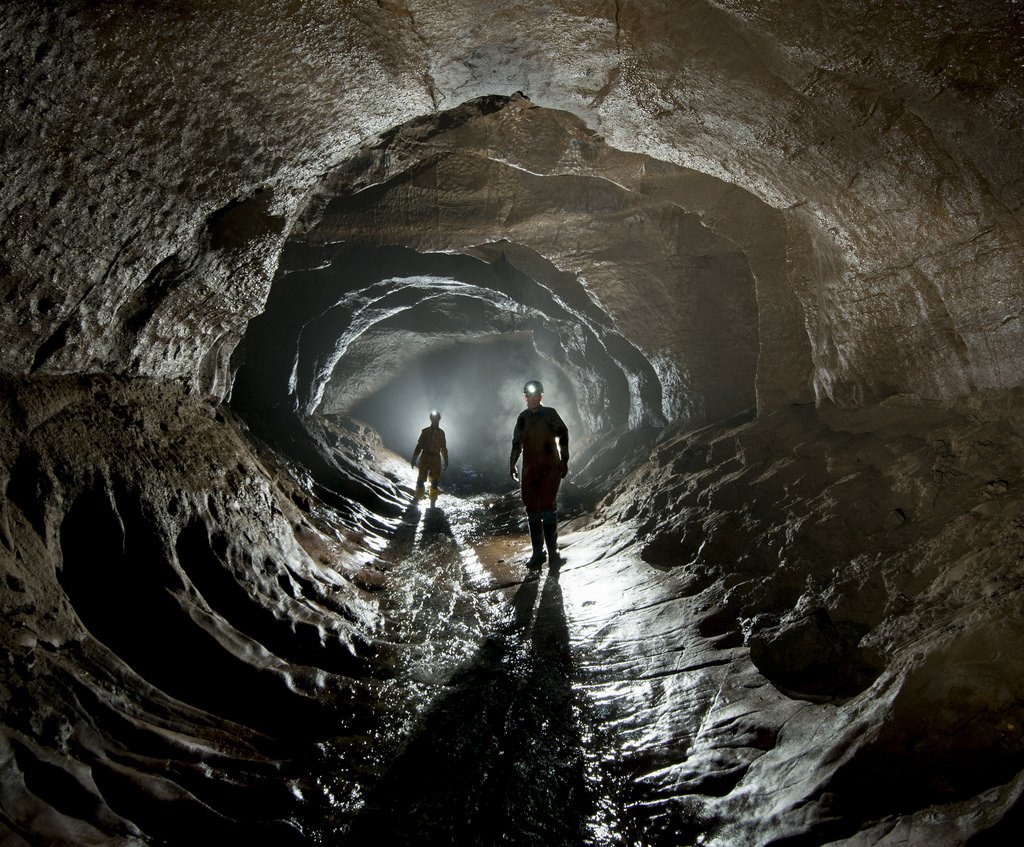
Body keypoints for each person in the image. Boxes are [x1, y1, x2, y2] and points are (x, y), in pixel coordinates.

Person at [509, 380, 569, 567]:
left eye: (536, 396)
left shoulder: (549, 414)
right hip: (530, 470)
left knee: (547, 508)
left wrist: (564, 460)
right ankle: (538, 553)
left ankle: (553, 553)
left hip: (549, 467)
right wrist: (512, 464)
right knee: (532, 511)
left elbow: (563, 433)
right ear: (525, 398)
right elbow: (517, 443)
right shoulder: (523, 417)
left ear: (541, 397)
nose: (533, 399)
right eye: (530, 396)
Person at [411, 410, 448, 506]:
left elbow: (443, 448)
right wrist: (414, 459)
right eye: (433, 418)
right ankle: (418, 498)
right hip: (425, 457)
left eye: (436, 419)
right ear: (431, 419)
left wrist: (446, 460)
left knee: (435, 480)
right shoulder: (425, 431)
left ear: (439, 419)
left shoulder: (441, 433)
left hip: (436, 458)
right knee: (421, 480)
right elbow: (419, 446)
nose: (435, 420)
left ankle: (433, 501)